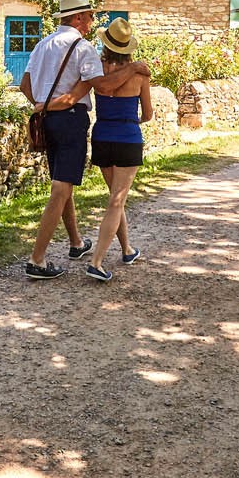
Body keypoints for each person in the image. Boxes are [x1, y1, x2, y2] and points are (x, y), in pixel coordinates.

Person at [18, 0, 102, 278]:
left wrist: (40, 105)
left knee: (62, 183)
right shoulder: (83, 47)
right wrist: (52, 104)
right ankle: (37, 259)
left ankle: (76, 242)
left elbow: (24, 84)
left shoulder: (42, 45)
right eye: (89, 15)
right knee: (61, 189)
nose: (92, 20)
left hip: (47, 122)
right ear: (77, 18)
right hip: (69, 120)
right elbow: (73, 97)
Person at [69, 17, 151, 282]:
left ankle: (127, 249)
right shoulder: (140, 75)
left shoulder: (98, 69)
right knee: (117, 200)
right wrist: (134, 119)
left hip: (102, 135)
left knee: (117, 198)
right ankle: (97, 262)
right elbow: (148, 114)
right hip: (127, 136)